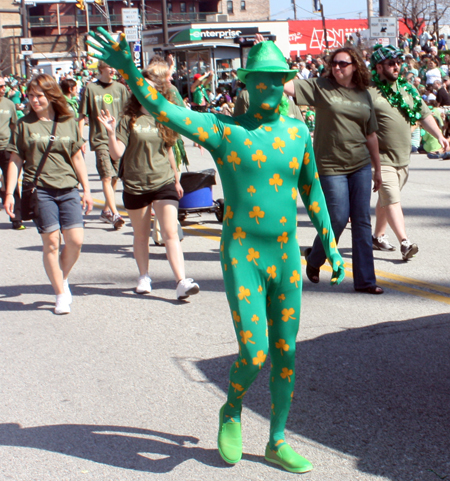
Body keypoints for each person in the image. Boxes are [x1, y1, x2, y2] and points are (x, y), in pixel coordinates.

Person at [87, 28, 345, 473]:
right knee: (254, 353)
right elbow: (166, 108)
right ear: (245, 83)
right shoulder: (224, 130)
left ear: (285, 80)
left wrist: (331, 243)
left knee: (286, 351)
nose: (267, 87)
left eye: (275, 78)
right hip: (243, 254)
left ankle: (276, 440)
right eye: (258, 80)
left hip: (285, 256)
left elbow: (312, 189)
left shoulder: (298, 130)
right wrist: (129, 70)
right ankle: (232, 408)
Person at [284, 47, 384, 294]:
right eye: (334, 63)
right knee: (338, 218)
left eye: (343, 64)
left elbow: (371, 134)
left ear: (355, 66)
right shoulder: (321, 86)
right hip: (330, 165)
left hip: (360, 165)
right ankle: (315, 257)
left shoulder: (363, 94)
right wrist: (271, 56)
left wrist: (378, 169)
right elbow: (287, 86)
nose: (337, 67)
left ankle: (365, 282)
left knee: (361, 221)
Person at [97, 62, 200, 300]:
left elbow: (170, 150)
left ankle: (181, 281)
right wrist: (111, 133)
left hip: (163, 182)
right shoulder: (128, 119)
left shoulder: (164, 116)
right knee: (141, 235)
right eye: (142, 88)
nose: (147, 92)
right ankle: (144, 276)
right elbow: (116, 154)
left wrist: (176, 179)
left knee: (170, 232)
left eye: (152, 88)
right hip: (135, 183)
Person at [4, 73, 93, 314]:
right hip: (40, 189)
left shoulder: (68, 122)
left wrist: (86, 189)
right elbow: (15, 160)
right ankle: (60, 294)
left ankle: (61, 278)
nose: (34, 100)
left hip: (68, 188)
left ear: (52, 96)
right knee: (52, 243)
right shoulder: (24, 124)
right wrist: (10, 193)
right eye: (31, 96)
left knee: (75, 241)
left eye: (39, 96)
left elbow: (76, 157)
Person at [369, 45, 448, 260]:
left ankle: (377, 236)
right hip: (381, 158)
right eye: (391, 63)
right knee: (392, 198)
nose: (397, 66)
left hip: (403, 159)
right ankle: (405, 242)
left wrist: (440, 136)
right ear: (379, 67)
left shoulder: (407, 89)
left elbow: (423, 115)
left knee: (386, 199)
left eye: (398, 62)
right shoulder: (369, 91)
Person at [78, 60, 128, 229]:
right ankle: (115, 214)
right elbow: (81, 116)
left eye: (114, 66)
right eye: (109, 66)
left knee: (114, 177)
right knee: (106, 175)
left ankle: (106, 209)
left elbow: (129, 114)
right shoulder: (91, 89)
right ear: (101, 69)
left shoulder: (120, 89)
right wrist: (79, 140)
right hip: (100, 139)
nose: (113, 69)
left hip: (118, 139)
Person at [0, 76, 23, 230]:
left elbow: (14, 126)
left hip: (5, 148)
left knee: (11, 183)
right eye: (1, 86)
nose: (4, 89)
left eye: (4, 86)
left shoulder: (9, 104)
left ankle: (17, 218)